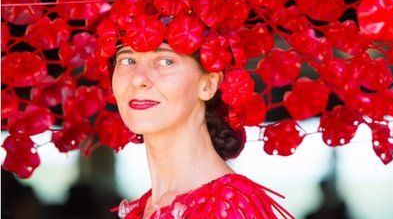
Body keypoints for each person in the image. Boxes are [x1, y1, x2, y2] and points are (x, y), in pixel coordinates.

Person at [111, 43, 291, 219]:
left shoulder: (229, 208)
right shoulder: (145, 207)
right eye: (127, 60)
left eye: (165, 61)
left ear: (208, 85)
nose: (138, 79)